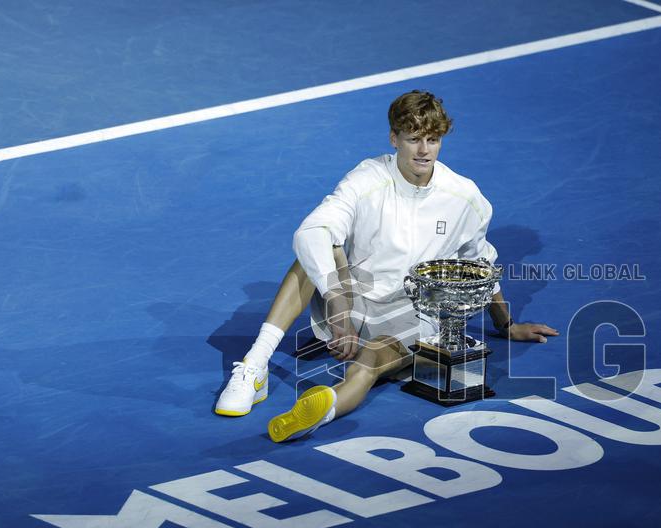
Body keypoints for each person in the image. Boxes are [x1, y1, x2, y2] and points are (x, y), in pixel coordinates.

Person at [215, 90, 558, 442]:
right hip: (350, 301)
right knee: (315, 247)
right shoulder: (366, 180)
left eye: (432, 140)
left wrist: (507, 325)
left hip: (411, 315)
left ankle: (325, 407)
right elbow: (311, 232)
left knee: (370, 363)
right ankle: (255, 366)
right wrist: (338, 304)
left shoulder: (464, 197)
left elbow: (480, 265)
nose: (423, 150)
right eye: (413, 139)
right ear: (394, 139)